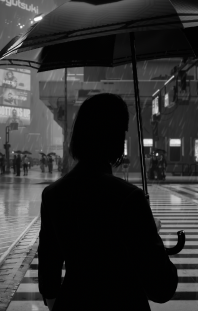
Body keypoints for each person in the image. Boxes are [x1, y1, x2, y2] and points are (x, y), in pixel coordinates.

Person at [39, 93, 177, 311]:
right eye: (122, 132)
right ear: (114, 138)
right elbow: (161, 287)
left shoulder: (53, 195)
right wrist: (151, 232)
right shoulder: (128, 198)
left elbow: (49, 277)